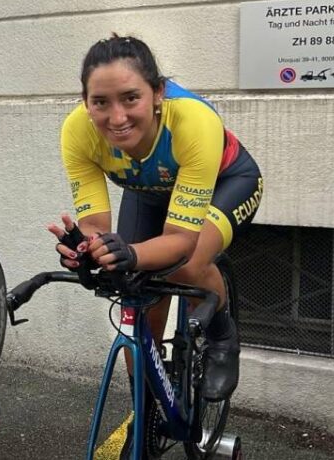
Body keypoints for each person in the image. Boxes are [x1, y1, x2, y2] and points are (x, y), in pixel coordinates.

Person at [49, 35, 262, 452]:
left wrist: (131, 254)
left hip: (227, 183)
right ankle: (145, 409)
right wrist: (86, 250)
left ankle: (222, 335)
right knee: (135, 302)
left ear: (158, 92)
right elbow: (94, 224)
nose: (117, 117)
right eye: (100, 102)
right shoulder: (77, 131)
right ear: (85, 102)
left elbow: (180, 242)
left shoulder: (193, 120)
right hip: (149, 194)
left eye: (131, 98)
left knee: (186, 265)